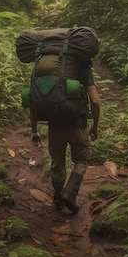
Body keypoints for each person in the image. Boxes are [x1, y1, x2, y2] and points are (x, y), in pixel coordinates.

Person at [30, 62, 101, 213]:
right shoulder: (81, 67)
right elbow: (95, 101)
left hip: (55, 126)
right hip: (78, 125)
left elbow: (34, 100)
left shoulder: (44, 68)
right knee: (81, 160)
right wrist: (95, 125)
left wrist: (34, 130)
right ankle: (70, 193)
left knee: (57, 161)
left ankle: (58, 200)